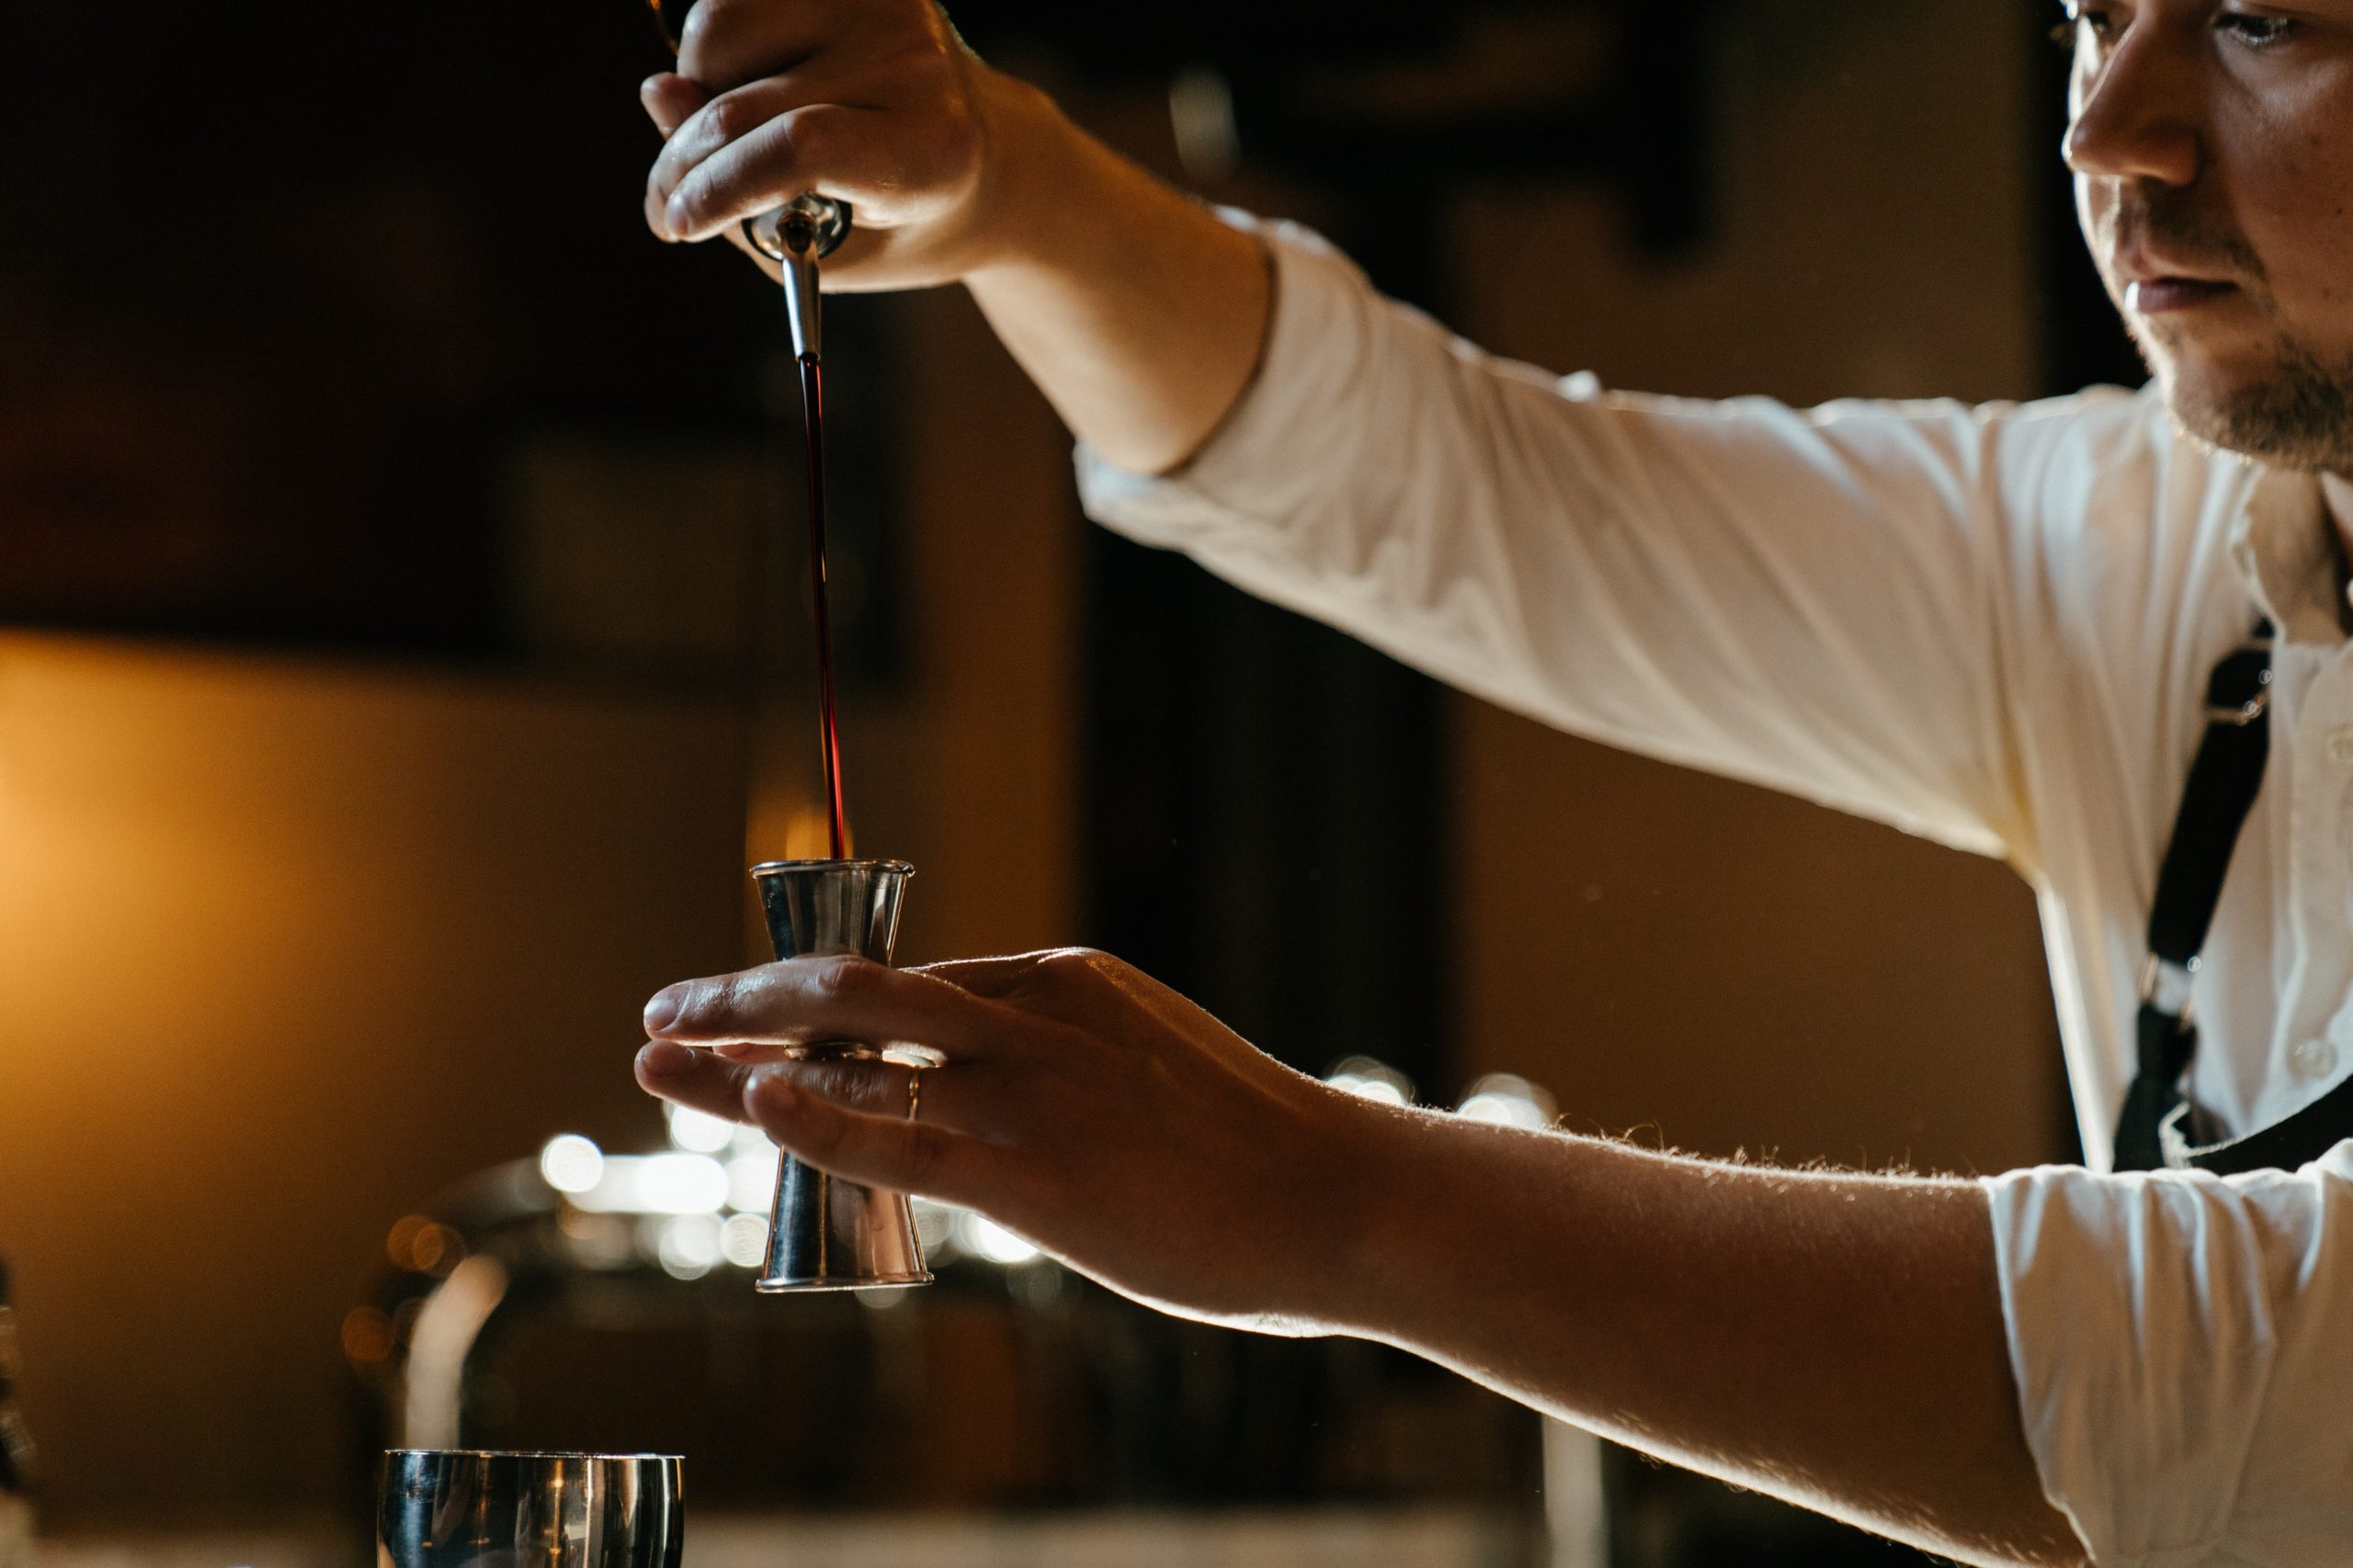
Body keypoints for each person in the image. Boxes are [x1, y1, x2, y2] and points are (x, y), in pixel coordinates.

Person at [627, 2, 2353, 1562]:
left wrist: (1330, 1197)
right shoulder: (2157, 544)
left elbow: (2256, 1376)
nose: (2108, 126)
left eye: (2263, 22)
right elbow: (1471, 489)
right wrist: (1010, 188)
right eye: (2090, 18)